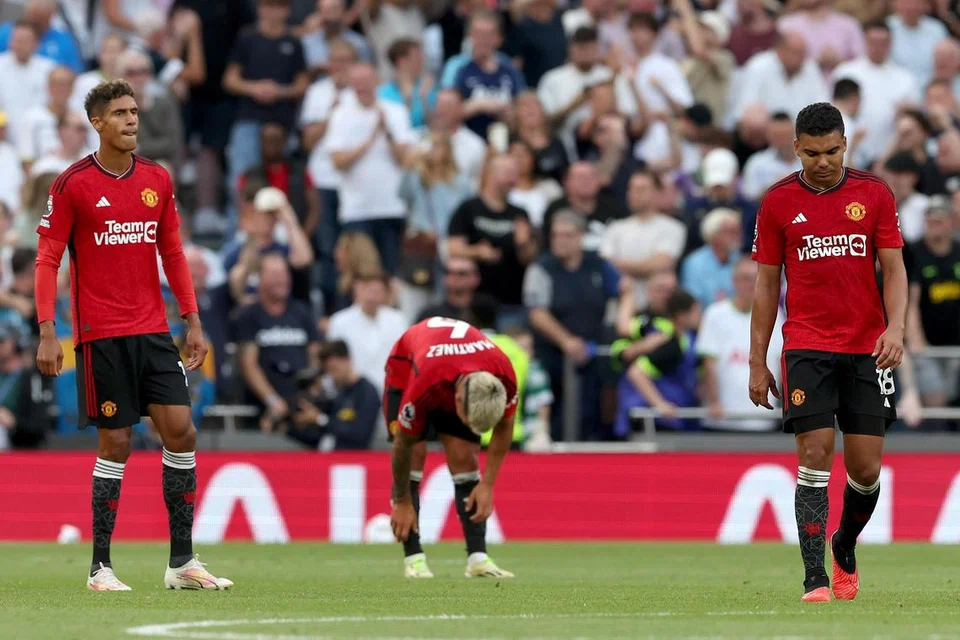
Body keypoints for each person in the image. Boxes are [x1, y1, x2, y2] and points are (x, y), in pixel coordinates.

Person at [33, 79, 232, 590]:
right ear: (97, 123)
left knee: (181, 432)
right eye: (120, 113)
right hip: (99, 334)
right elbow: (47, 258)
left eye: (135, 112)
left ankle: (182, 563)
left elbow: (173, 251)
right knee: (116, 442)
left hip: (152, 329)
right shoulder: (72, 183)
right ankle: (101, 566)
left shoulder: (157, 179)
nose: (132, 120)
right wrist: (48, 331)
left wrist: (191, 320)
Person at [749, 102, 907, 602]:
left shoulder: (874, 193)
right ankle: (814, 577)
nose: (823, 161)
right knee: (814, 454)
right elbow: (766, 284)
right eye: (813, 152)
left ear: (846, 145)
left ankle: (845, 543)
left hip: (868, 349)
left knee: (865, 471)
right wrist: (758, 359)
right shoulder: (776, 201)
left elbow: (895, 271)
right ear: (796, 147)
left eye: (833, 151)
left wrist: (896, 329)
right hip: (807, 345)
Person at [384, 316, 517, 579]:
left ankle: (478, 559)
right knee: (415, 454)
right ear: (457, 400)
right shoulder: (424, 387)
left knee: (465, 457)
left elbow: (505, 426)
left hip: (453, 371)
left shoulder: (503, 376)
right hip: (409, 370)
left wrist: (488, 483)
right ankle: (415, 560)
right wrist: (401, 500)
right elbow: (403, 445)